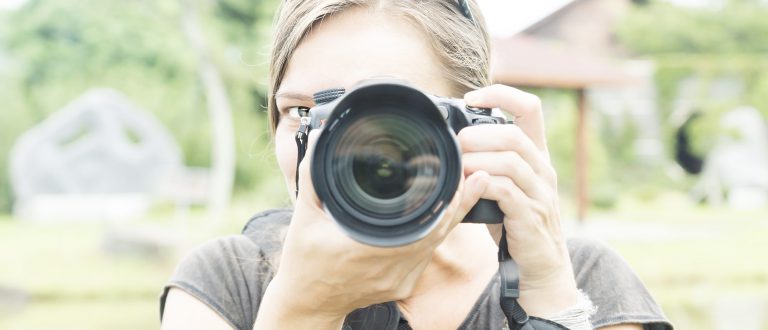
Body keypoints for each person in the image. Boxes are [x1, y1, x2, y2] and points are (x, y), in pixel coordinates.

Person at [160, 1, 673, 329]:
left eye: (386, 118)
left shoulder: (580, 275)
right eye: (303, 112)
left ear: (472, 124)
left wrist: (549, 296)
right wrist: (302, 308)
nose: (335, 146)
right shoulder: (229, 280)